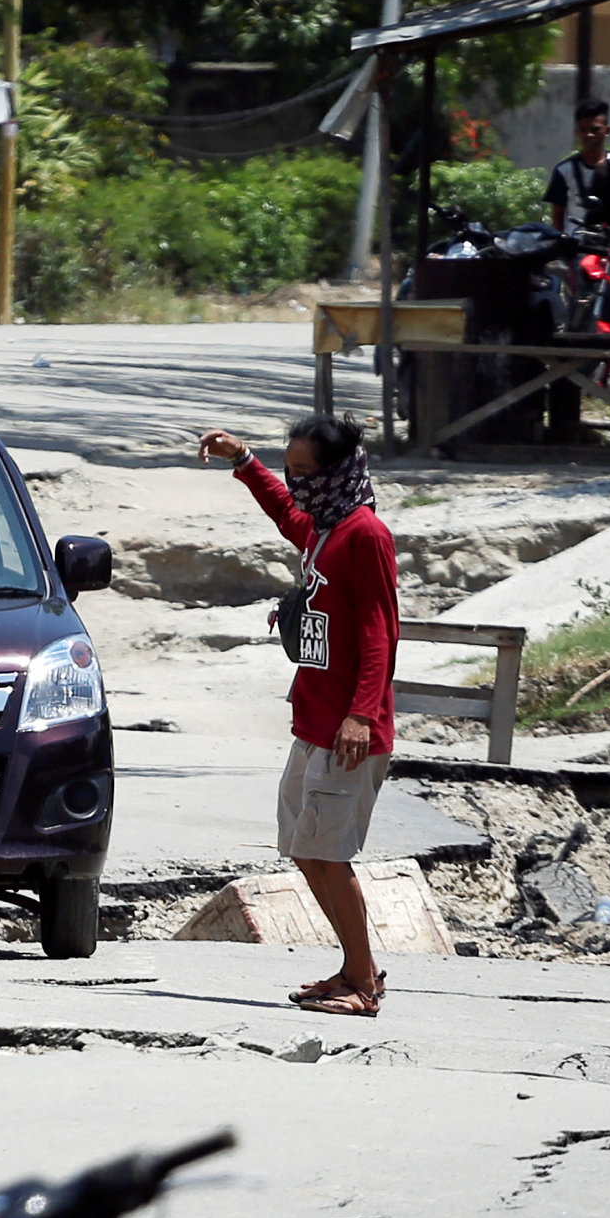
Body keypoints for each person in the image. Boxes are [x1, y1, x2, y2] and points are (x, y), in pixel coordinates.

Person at [198, 413, 399, 1017]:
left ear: (338, 474)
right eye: (293, 472)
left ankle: (363, 985)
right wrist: (245, 463)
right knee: (307, 851)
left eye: (309, 474)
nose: (300, 484)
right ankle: (353, 970)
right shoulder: (325, 527)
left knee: (330, 855)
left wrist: (362, 715)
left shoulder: (366, 535)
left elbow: (379, 633)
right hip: (313, 721)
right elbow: (289, 513)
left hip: (349, 732)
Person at [544, 98, 610, 238]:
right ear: (578, 132)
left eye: (595, 130)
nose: (589, 135)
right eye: (584, 130)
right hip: (575, 248)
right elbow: (557, 217)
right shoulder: (564, 170)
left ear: (607, 131)